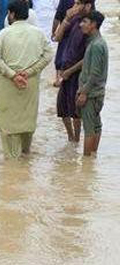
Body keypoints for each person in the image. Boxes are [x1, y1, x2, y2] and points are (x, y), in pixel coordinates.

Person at [0, 0, 53, 158]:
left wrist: (13, 75)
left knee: (9, 129)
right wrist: (29, 72)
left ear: (11, 14)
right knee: (27, 124)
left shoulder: (3, 34)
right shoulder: (38, 34)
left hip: (8, 86)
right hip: (29, 85)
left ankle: (12, 171)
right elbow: (48, 55)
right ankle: (25, 168)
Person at [53, 0, 92, 143]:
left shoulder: (90, 26)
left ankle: (76, 139)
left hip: (79, 73)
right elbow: (57, 37)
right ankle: (71, 138)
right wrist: (67, 18)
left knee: (76, 112)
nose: (74, 7)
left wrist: (70, 71)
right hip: (66, 70)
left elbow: (88, 57)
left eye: (78, 4)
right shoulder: (75, 20)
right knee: (62, 107)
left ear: (87, 6)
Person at [76, 10, 106, 157]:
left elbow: (94, 74)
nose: (81, 25)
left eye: (85, 22)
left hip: (91, 94)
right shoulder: (98, 42)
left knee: (89, 129)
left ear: (93, 25)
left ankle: (86, 163)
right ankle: (93, 157)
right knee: (96, 126)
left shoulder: (95, 45)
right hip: (97, 92)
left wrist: (84, 93)